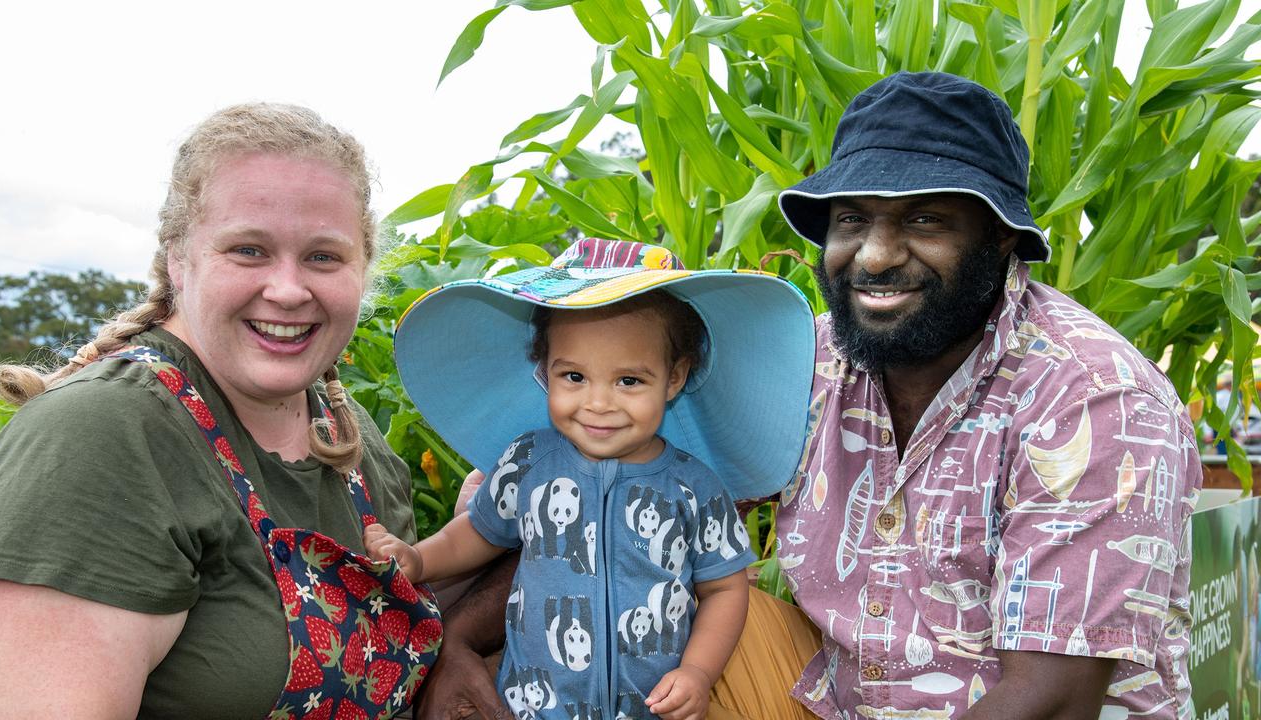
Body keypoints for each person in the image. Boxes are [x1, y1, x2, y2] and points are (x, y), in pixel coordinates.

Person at [0, 103, 441, 719]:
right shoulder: (105, 436)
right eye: (248, 250)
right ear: (178, 257)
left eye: (323, 257)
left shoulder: (350, 439)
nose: (287, 289)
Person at [770, 71, 1201, 718]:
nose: (876, 256)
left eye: (924, 219)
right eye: (853, 219)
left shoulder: (1092, 399)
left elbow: (1053, 701)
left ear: (1000, 236)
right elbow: (645, 446)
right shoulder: (810, 362)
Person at [382, 238, 817, 719]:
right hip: (534, 706)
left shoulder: (695, 488)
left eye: (629, 381)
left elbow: (724, 590)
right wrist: (419, 561)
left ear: (674, 377)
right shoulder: (529, 462)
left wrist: (698, 672)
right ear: (544, 370)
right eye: (574, 377)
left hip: (650, 709)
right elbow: (477, 533)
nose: (598, 403)